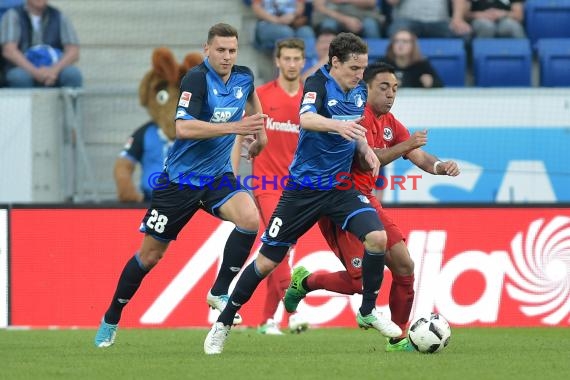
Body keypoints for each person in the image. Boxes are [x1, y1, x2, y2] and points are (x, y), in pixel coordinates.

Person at [204, 32, 402, 355]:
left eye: (363, 68)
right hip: (303, 190)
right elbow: (306, 119)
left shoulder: (359, 91)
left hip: (340, 188)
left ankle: (368, 310)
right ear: (335, 62)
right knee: (267, 262)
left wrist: (365, 149)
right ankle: (223, 323)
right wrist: (337, 126)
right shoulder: (318, 85)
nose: (359, 75)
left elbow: (357, 130)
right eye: (354, 68)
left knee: (377, 238)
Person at [94, 23, 268, 348]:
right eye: (220, 50)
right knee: (149, 257)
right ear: (207, 50)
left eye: (232, 50)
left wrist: (260, 135)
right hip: (179, 182)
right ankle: (111, 318)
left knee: (249, 219)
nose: (227, 56)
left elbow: (252, 99)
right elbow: (184, 128)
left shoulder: (243, 75)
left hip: (217, 178)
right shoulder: (196, 79)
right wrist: (236, 127)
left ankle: (218, 291)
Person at [283, 61, 460, 352]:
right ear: (366, 88)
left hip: (366, 201)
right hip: (338, 202)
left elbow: (419, 156)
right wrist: (406, 146)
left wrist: (442, 166)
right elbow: (368, 158)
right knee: (358, 282)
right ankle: (305, 282)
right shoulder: (355, 115)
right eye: (384, 87)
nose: (391, 94)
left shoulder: (390, 122)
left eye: (395, 88)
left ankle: (399, 338)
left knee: (404, 264)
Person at [243, 38, 309, 335]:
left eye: (297, 58)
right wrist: (248, 140)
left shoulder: (310, 99)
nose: (292, 64)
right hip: (266, 184)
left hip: (297, 187)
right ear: (278, 61)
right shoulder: (261, 96)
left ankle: (267, 320)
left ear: (303, 61)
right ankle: (294, 312)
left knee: (277, 251)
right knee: (279, 245)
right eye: (287, 59)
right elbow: (244, 130)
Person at [0, 0, 82, 88]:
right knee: (18, 77)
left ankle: (71, 102)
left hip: (53, 70)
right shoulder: (13, 15)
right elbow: (9, 51)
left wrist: (53, 71)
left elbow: (73, 52)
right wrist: (36, 73)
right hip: (23, 69)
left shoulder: (59, 16)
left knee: (72, 74)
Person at [386, 0, 471, 38]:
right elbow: (392, 1)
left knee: (465, 33)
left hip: (439, 21)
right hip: (406, 20)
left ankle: (468, 73)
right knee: (394, 32)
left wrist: (457, 19)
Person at [311, 0, 383, 38]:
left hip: (361, 16)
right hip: (334, 17)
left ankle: (376, 62)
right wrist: (346, 20)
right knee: (328, 25)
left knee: (370, 25)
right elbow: (319, 7)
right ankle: (327, 59)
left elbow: (371, 3)